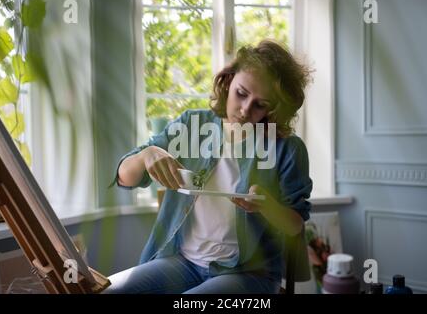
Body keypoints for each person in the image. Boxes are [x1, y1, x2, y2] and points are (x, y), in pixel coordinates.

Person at [106, 40, 313, 294]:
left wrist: (267, 206)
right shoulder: (192, 125)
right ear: (228, 80)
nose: (246, 110)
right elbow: (124, 177)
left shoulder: (288, 149)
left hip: (248, 274)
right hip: (183, 262)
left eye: (261, 104)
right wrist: (147, 155)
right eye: (242, 93)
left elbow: (295, 225)